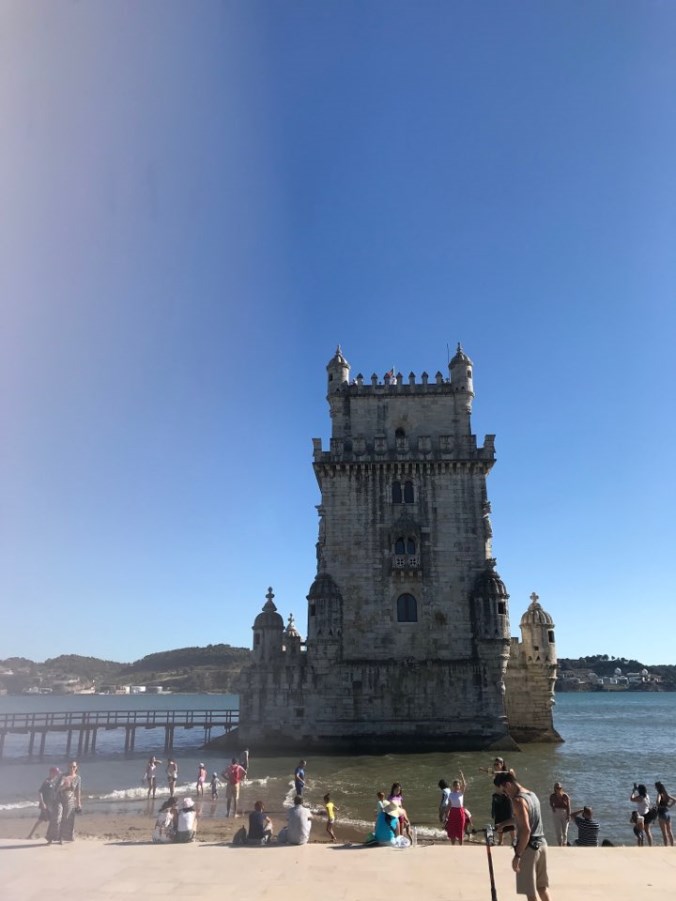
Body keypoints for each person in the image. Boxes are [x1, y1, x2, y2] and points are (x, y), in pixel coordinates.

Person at [494, 771, 551, 901]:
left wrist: (517, 855)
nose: (506, 795)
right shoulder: (532, 795)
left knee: (530, 892)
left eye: (505, 791)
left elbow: (526, 830)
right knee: (542, 888)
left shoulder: (518, 800)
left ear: (508, 785)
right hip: (542, 845)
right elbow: (521, 819)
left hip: (529, 849)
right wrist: (503, 824)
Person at [48, 760, 82, 844]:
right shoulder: (63, 776)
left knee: (67, 819)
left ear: (76, 767)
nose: (72, 768)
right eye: (70, 767)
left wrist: (78, 803)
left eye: (73, 767)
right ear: (68, 767)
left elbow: (78, 791)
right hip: (59, 798)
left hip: (70, 799)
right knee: (57, 817)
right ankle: (51, 837)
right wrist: (64, 786)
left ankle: (62, 838)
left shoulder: (78, 778)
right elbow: (56, 789)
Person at [30, 766, 60, 840]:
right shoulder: (46, 782)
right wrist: (42, 803)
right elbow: (40, 792)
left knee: (42, 820)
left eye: (57, 773)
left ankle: (31, 835)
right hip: (46, 805)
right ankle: (51, 835)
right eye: (55, 773)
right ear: (51, 773)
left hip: (51, 805)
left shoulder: (54, 782)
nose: (56, 775)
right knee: (51, 820)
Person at [444, 772, 467, 845]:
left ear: (459, 786)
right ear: (453, 786)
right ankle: (453, 846)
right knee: (452, 831)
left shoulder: (461, 793)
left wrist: (462, 776)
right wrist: (446, 814)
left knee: (460, 830)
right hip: (453, 812)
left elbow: (464, 785)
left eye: (458, 785)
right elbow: (449, 805)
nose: (457, 787)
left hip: (460, 812)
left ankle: (461, 846)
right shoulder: (451, 794)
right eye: (455, 785)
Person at [654, 781, 676, 846]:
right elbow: (675, 800)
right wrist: (669, 805)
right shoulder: (666, 794)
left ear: (657, 787)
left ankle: (666, 846)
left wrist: (658, 803)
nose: (655, 788)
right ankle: (672, 845)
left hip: (662, 814)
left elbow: (657, 803)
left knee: (664, 832)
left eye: (655, 787)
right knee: (669, 831)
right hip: (667, 813)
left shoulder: (660, 794)